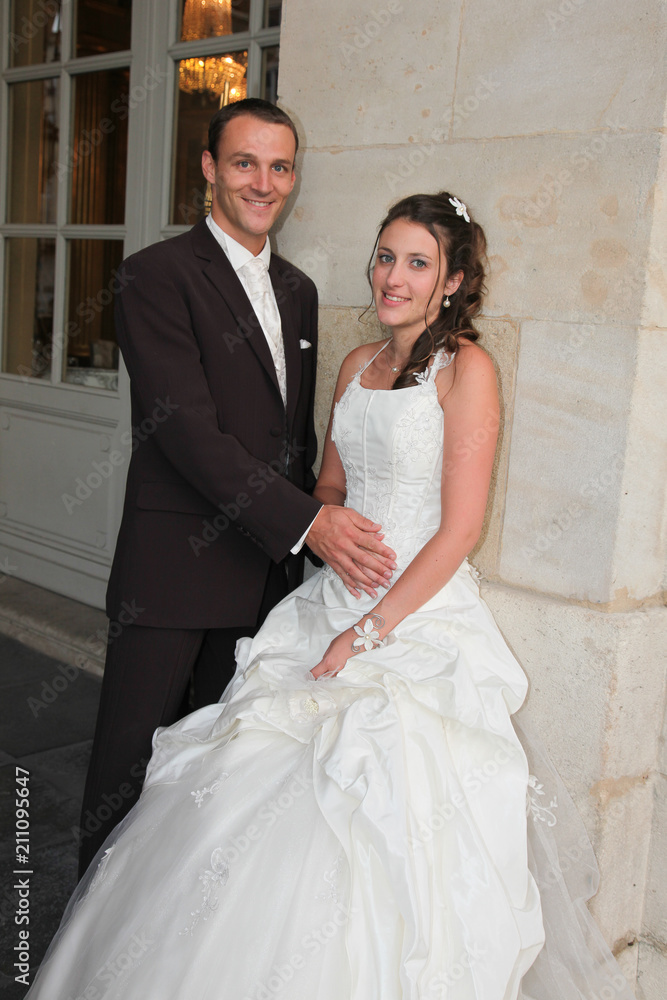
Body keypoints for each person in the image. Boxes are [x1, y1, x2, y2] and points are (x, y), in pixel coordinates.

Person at [29, 192, 635, 1000]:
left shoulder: (469, 372)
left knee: (377, 812)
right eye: (385, 256)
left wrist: (371, 631)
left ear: (452, 281)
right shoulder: (356, 367)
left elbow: (457, 531)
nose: (392, 275)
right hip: (330, 597)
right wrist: (325, 530)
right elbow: (330, 485)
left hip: (409, 617)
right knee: (240, 782)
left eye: (417, 262)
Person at [77, 98, 396, 878]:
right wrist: (308, 525)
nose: (263, 182)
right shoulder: (153, 276)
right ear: (209, 169)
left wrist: (314, 526)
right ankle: (81, 945)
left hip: (263, 575)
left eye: (280, 166)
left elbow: (284, 438)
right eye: (245, 162)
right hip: (171, 572)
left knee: (215, 779)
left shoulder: (297, 290)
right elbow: (182, 430)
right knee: (127, 771)